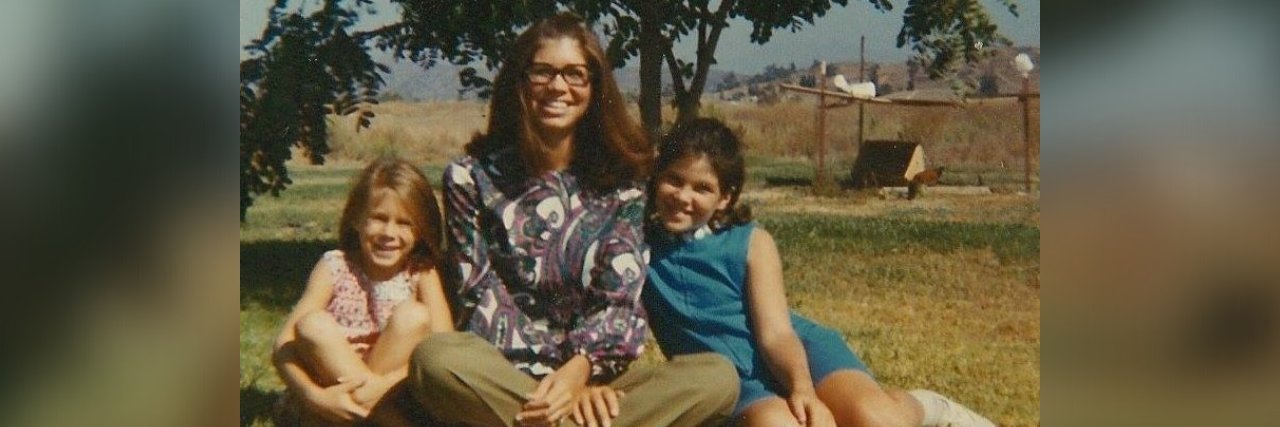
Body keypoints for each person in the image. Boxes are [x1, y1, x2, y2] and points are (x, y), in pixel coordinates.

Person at [410, 12, 738, 427]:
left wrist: (581, 374)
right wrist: (553, 388)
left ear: (595, 87)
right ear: (520, 81)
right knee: (435, 360)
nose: (558, 87)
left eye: (574, 74)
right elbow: (480, 297)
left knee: (716, 377)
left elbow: (620, 301)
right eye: (542, 72)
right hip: (506, 375)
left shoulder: (626, 182)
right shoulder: (470, 177)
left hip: (598, 377)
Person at [643, 118, 1000, 427]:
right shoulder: (633, 247)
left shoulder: (751, 242)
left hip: (797, 352)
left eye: (702, 188)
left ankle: (931, 408)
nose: (683, 196)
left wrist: (804, 390)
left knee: (874, 419)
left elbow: (777, 334)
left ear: (725, 198)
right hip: (732, 380)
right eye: (674, 180)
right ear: (657, 178)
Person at [272, 157, 454, 427]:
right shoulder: (335, 266)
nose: (389, 233)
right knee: (312, 324)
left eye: (405, 223)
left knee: (414, 317)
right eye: (379, 218)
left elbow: (445, 350)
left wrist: (380, 387)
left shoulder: (422, 273)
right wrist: (313, 396)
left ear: (421, 231)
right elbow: (282, 347)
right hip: (331, 396)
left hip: (395, 392)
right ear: (357, 219)